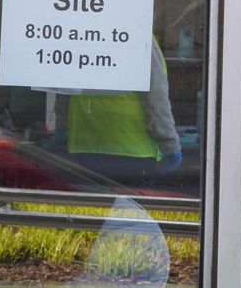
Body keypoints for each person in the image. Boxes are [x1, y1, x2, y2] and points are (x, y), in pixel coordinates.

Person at [65, 35, 182, 183]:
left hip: (85, 145)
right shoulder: (138, 36)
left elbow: (63, 87)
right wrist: (170, 145)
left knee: (93, 204)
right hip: (133, 148)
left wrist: (63, 130)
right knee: (129, 205)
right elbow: (156, 100)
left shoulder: (81, 35)